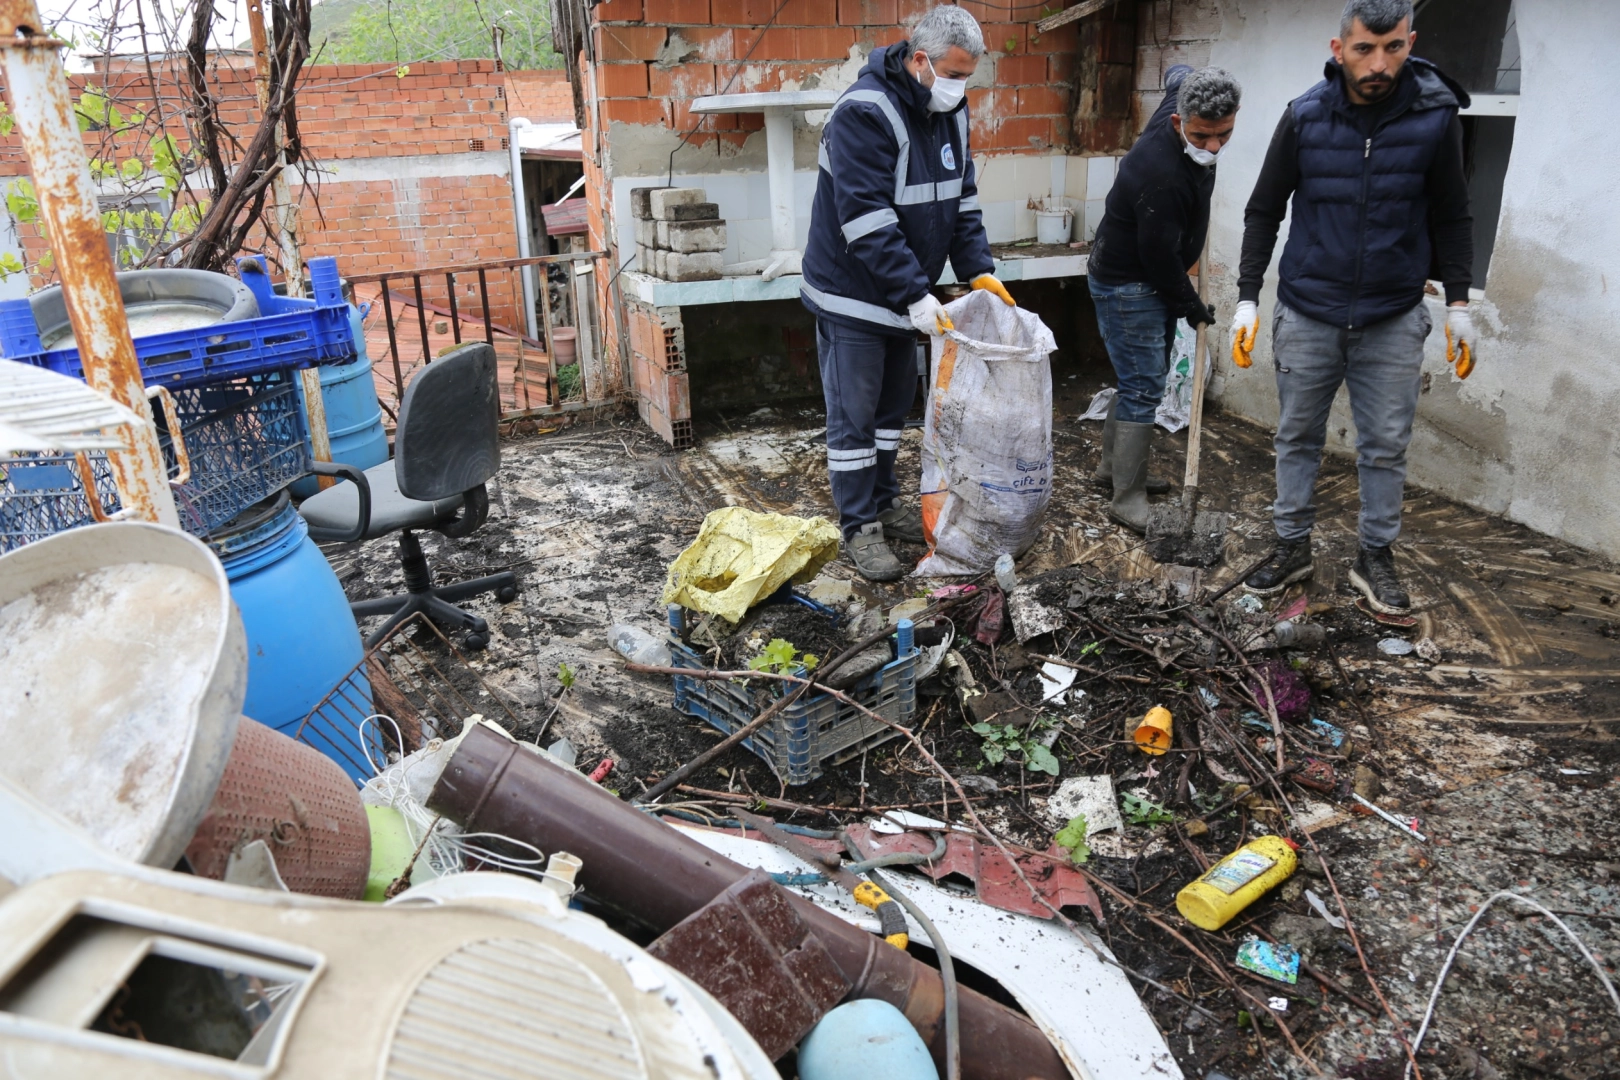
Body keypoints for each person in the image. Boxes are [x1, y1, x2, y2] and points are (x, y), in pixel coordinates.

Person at [1232, 0, 1476, 613]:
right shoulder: (1305, 117)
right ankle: (1292, 548)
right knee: (1296, 436)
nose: (1379, 62)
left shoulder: (1436, 118)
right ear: (1339, 49)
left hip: (1392, 315)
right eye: (1365, 48)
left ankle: (1375, 555)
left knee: (1386, 444)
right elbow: (1264, 209)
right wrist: (1245, 298)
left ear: (1410, 42)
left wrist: (1460, 304)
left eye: (1393, 47)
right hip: (1308, 309)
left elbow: (1452, 215)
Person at [801, 5, 1014, 582]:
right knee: (855, 416)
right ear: (920, 60)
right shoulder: (864, 114)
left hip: (904, 294)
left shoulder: (949, 109)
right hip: (854, 295)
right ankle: (858, 525)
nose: (961, 86)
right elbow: (866, 220)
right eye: (954, 72)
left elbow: (961, 197)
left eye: (969, 74)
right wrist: (918, 297)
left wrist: (977, 271)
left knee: (893, 409)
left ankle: (884, 500)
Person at [1087, 66, 1241, 532]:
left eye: (1224, 134)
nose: (1213, 146)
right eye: (1202, 136)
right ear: (1177, 123)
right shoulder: (1162, 174)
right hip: (1129, 283)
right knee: (1143, 385)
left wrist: (1183, 74)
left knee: (1136, 377)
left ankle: (1113, 469)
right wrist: (1190, 306)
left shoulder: (1182, 104)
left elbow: (1179, 77)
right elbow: (1158, 261)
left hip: (1141, 275)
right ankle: (1126, 497)